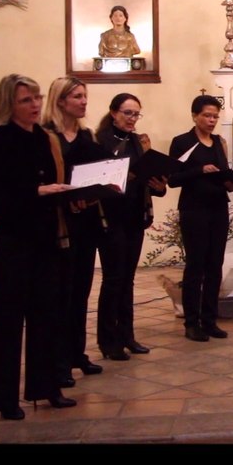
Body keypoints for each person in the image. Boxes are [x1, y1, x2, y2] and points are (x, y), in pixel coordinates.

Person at [0, 74, 76, 419]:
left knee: (47, 316)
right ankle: (5, 399)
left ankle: (46, 386)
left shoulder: (44, 140)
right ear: (9, 104)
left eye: (36, 98)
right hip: (9, 244)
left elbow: (54, 183)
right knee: (7, 321)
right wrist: (36, 192)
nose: (34, 105)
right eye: (25, 100)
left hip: (44, 241)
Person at [42, 76, 106, 385]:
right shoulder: (46, 136)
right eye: (77, 96)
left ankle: (77, 353)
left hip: (85, 222)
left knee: (81, 291)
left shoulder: (86, 136)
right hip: (58, 224)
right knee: (61, 294)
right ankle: (60, 361)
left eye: (85, 96)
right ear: (61, 100)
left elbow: (96, 176)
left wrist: (92, 195)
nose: (83, 101)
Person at [95, 94, 167, 358]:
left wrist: (159, 186)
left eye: (136, 114)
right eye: (127, 113)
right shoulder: (100, 141)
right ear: (114, 112)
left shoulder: (137, 141)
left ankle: (127, 335)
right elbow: (99, 178)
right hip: (111, 218)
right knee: (113, 280)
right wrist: (126, 175)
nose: (132, 119)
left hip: (135, 217)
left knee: (128, 279)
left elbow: (150, 181)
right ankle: (108, 340)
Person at [168, 95, 233, 342]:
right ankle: (191, 322)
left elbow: (223, 173)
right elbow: (173, 179)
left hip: (218, 207)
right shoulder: (182, 142)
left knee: (214, 265)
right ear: (195, 116)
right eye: (207, 116)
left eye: (215, 117)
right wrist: (200, 170)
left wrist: (231, 182)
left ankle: (210, 320)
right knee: (196, 266)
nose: (211, 120)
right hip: (194, 209)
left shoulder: (218, 142)